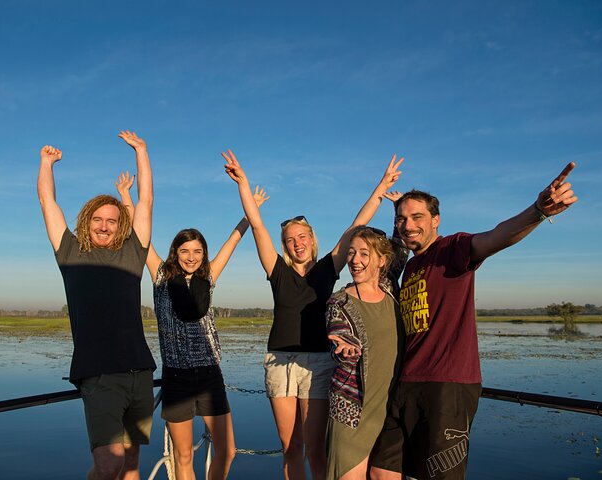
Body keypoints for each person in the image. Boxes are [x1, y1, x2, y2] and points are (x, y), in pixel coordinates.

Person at [373, 163, 579, 480]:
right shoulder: (412, 266)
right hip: (405, 382)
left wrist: (538, 210)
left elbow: (497, 237)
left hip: (447, 385)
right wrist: (398, 203)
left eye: (417, 217)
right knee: (380, 471)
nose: (407, 224)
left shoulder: (451, 249)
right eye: (401, 219)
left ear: (436, 221)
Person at [224, 149, 403, 480]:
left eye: (302, 237)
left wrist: (381, 187)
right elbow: (257, 224)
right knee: (289, 446)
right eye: (290, 240)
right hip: (279, 362)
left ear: (312, 239)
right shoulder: (277, 270)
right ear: (285, 245)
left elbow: (356, 227)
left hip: (319, 364)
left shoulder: (327, 269)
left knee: (315, 447)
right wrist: (243, 183)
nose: (297, 243)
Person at [116, 175, 269, 480]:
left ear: (203, 254)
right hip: (177, 377)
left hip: (210, 374)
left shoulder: (208, 276)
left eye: (197, 251)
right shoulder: (161, 275)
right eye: (185, 251)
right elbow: (137, 234)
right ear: (176, 252)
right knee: (183, 455)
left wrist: (251, 208)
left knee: (227, 450)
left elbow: (234, 240)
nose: (191, 257)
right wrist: (125, 196)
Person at [37, 131, 156, 480]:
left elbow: (145, 201)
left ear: (121, 225)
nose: (104, 226)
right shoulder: (71, 253)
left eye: (112, 220)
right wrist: (47, 164)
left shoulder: (133, 253)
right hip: (100, 374)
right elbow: (48, 202)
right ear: (86, 221)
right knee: (109, 465)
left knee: (131, 467)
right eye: (97, 219)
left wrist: (142, 151)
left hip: (140, 371)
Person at [325, 225, 408, 480]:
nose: (355, 260)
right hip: (353, 413)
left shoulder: (390, 289)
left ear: (382, 261)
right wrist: (344, 349)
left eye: (364, 253)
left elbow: (401, 249)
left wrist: (398, 215)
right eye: (351, 253)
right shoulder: (339, 302)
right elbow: (338, 333)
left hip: (392, 411)